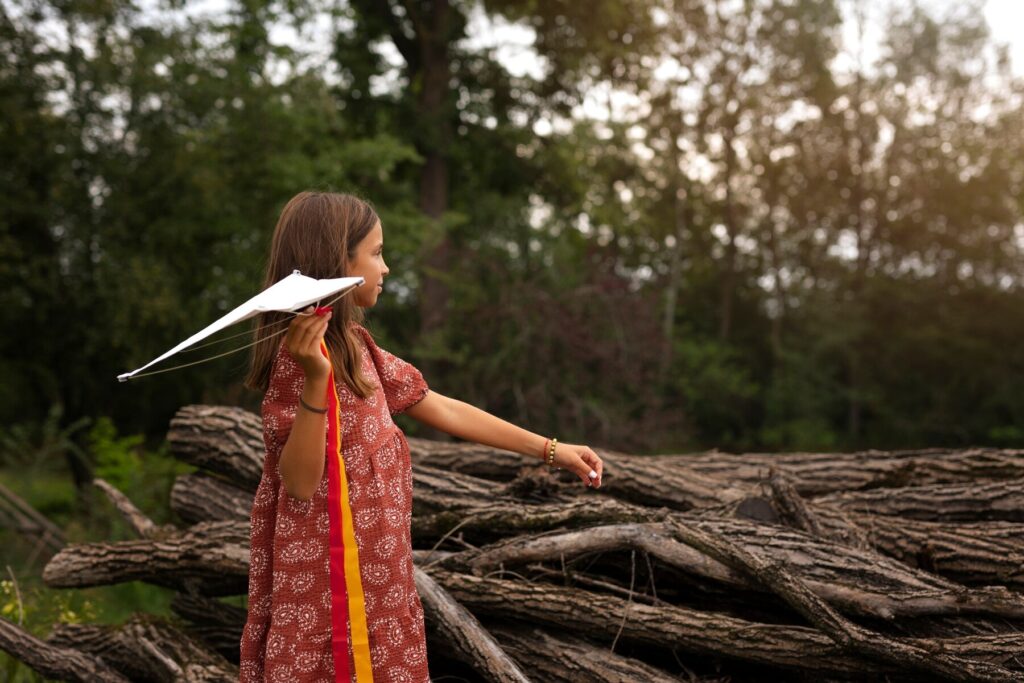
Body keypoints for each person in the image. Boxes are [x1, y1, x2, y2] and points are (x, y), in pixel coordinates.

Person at [238, 190, 604, 683]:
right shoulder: (298, 363)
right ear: (337, 263)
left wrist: (551, 449)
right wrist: (316, 381)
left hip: (380, 579)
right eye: (376, 252)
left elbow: (443, 408)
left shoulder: (357, 346)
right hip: (329, 590)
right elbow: (299, 483)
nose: (386, 268)